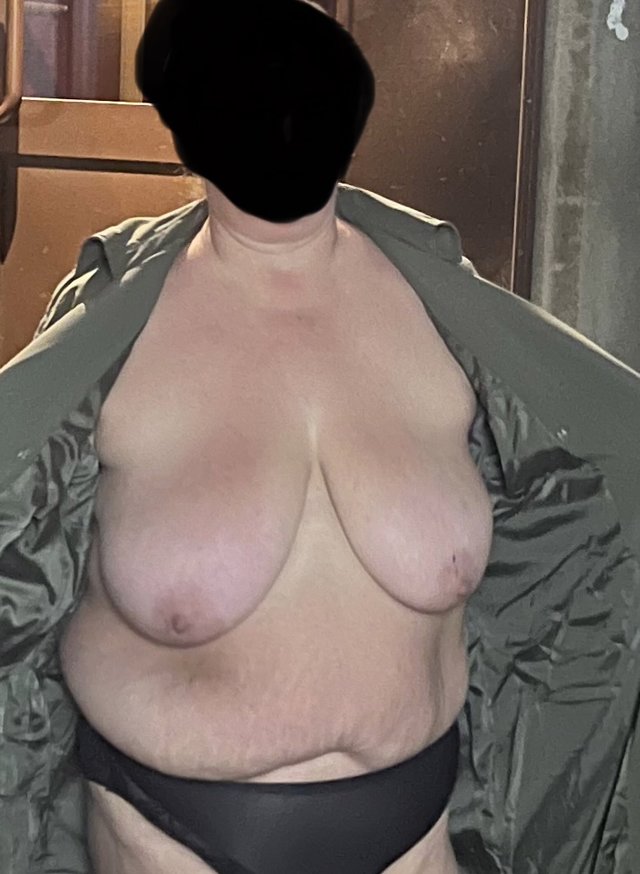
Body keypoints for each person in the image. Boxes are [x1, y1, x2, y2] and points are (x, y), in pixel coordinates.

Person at [1, 1, 640, 873]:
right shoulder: (109, 339)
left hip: (418, 837)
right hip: (165, 835)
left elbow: (579, 543)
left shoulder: (454, 328)